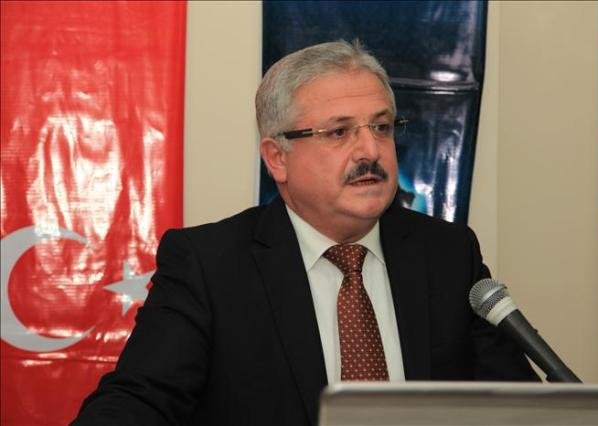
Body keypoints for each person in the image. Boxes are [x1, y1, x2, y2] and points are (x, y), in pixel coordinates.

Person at [73, 40, 538, 426]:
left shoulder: (448, 254)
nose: (370, 150)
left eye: (381, 127)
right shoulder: (209, 265)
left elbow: (520, 407)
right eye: (338, 133)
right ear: (277, 158)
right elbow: (139, 401)